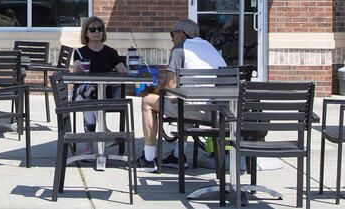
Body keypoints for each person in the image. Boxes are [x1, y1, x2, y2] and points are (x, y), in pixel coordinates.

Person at [138, 19, 228, 172]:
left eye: (172, 34)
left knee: (147, 102)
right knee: (183, 100)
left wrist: (152, 92)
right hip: (221, 111)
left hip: (199, 110)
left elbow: (171, 86)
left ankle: (148, 159)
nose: (171, 39)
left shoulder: (180, 49)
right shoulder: (209, 47)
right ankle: (178, 156)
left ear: (181, 33)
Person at [71, 16, 129, 136]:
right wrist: (77, 69)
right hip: (81, 92)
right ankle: (104, 131)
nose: (97, 32)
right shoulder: (79, 52)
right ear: (86, 33)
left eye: (100, 29)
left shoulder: (111, 52)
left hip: (102, 93)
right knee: (90, 94)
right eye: (92, 29)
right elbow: (76, 69)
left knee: (90, 98)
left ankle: (89, 142)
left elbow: (123, 73)